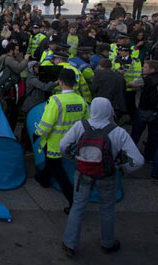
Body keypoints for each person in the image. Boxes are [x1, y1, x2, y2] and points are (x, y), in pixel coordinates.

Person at [60, 98, 144, 257]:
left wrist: (73, 158)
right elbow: (138, 160)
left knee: (78, 206)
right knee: (107, 209)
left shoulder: (80, 126)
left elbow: (63, 145)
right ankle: (107, 243)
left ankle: (69, 244)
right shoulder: (118, 132)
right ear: (109, 110)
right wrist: (122, 168)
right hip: (107, 175)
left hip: (83, 173)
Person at [34, 68, 88, 214]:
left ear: (61, 82)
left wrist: (36, 133)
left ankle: (73, 201)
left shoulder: (55, 100)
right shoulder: (81, 101)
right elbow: (86, 122)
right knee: (52, 166)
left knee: (58, 172)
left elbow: (45, 125)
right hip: (73, 143)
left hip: (54, 143)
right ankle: (42, 179)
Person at [128, 60, 158, 180]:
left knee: (136, 133)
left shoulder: (146, 79)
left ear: (152, 70)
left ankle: (130, 154)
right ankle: (149, 156)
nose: (143, 68)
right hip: (156, 112)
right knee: (153, 135)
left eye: (145, 67)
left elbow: (132, 84)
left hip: (144, 110)